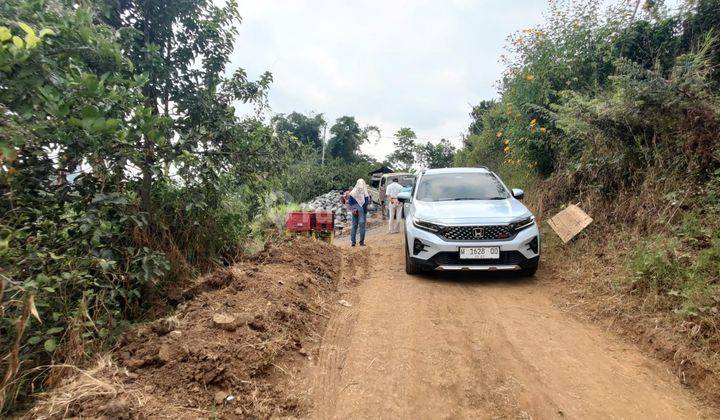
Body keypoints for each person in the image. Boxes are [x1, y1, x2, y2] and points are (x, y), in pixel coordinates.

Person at [347, 178, 370, 246]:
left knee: (354, 226)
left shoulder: (353, 192)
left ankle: (353, 242)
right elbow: (366, 203)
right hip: (362, 211)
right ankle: (361, 242)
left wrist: (354, 209)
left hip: (355, 211)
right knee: (362, 227)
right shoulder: (365, 192)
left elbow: (350, 203)